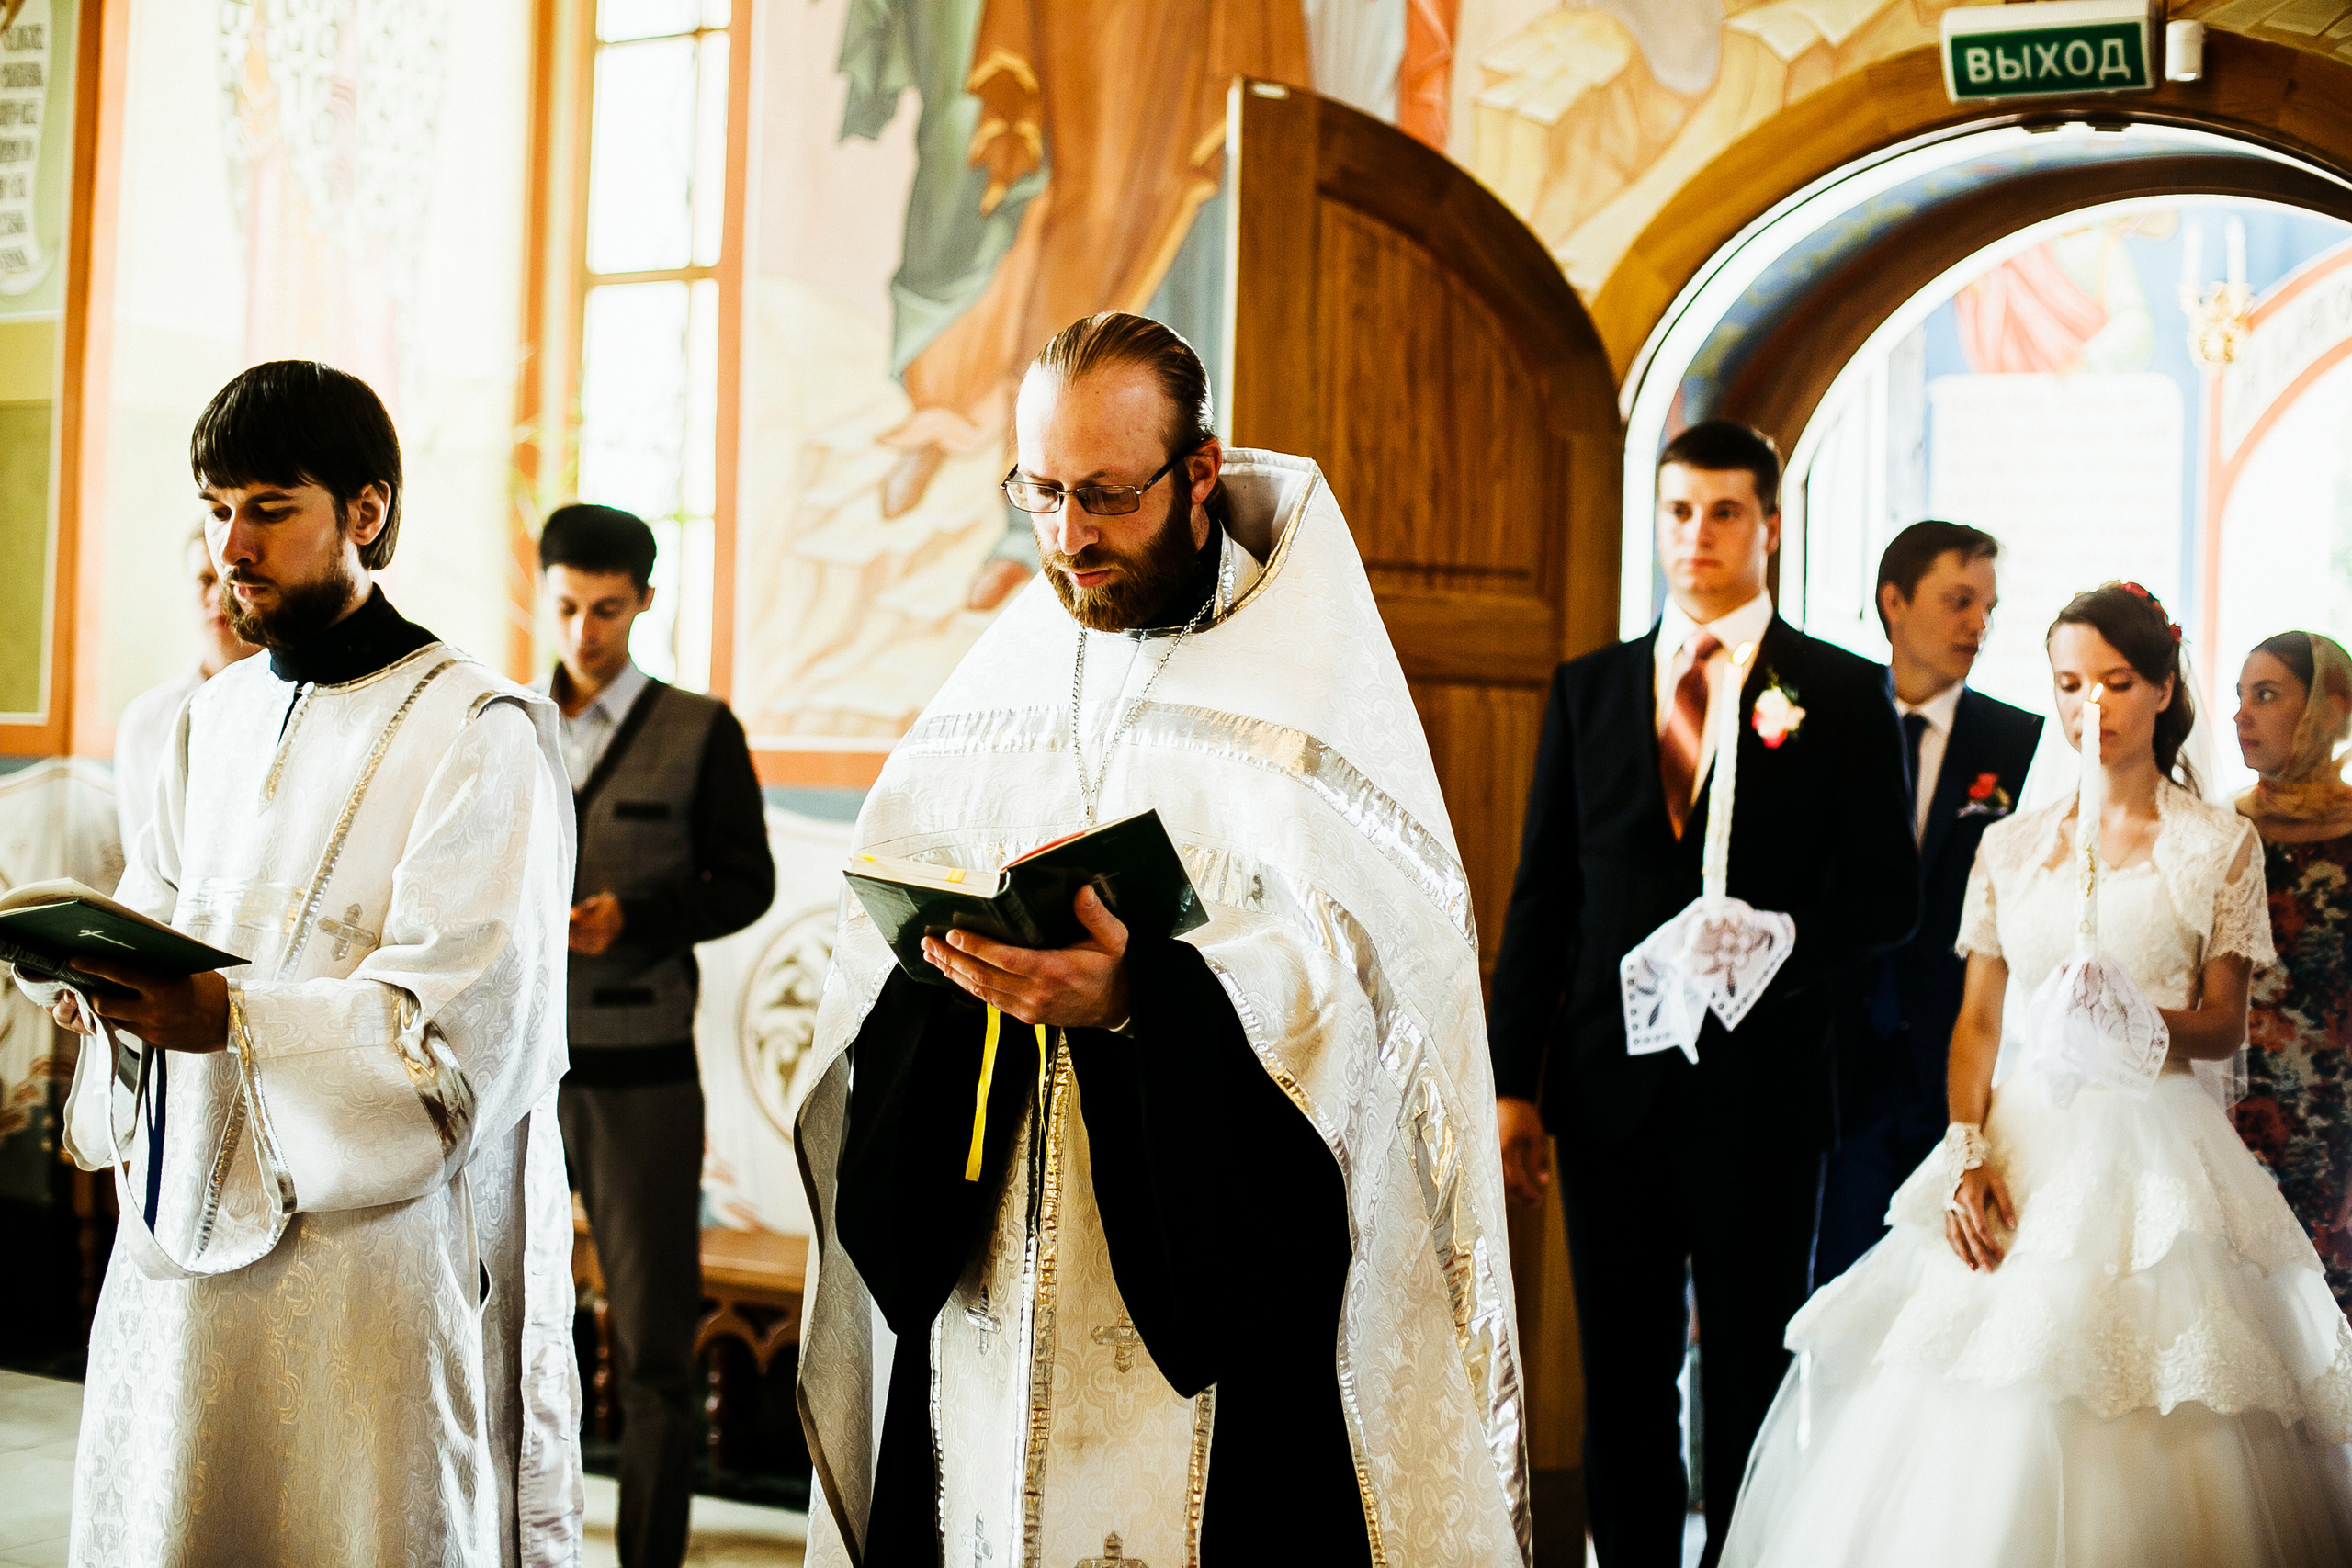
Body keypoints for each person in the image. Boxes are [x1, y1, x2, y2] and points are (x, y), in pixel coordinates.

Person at [794, 312, 1524, 1565]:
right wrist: (954, 960)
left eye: (1107, 494)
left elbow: (1362, 1011)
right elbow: (885, 941)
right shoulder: (1007, 677)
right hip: (989, 1277)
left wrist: (1142, 998)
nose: (1069, 536)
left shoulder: (1302, 695)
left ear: (1198, 472)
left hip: (1209, 1298)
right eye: (1041, 492)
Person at [17, 361, 582, 1565]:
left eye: (269, 509)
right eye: (217, 509)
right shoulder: (211, 718)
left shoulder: (476, 730)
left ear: (366, 512)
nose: (232, 546)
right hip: (180, 1238)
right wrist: (93, 983)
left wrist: (229, 1020)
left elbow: (457, 1042)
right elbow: (156, 905)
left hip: (360, 1273)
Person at [1723, 584, 2352, 1568]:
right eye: (2067, 684)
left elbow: (2224, 1024)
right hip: (2024, 1135)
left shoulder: (2216, 843)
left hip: (2156, 1144)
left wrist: (2133, 1020)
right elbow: (1977, 1023)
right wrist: (1966, 1151)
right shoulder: (2009, 846)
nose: (2089, 706)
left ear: (2161, 690)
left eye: (2116, 682)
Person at [1487, 418, 1917, 1568]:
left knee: (1747, 1370)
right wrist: (1512, 1084)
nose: (1698, 535)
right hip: (1607, 1087)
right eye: (1679, 511)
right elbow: (1543, 899)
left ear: (1768, 526)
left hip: (1761, 1091)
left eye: (1724, 512)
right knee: (1622, 1375)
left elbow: (1889, 897)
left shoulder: (1835, 690)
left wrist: (1776, 942)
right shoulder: (1588, 690)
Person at [537, 502, 775, 1568]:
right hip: (520, 1074)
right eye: (566, 608)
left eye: (606, 610)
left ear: (643, 603)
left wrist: (635, 918)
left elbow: (746, 882)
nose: (583, 633)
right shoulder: (507, 722)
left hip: (643, 1076)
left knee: (653, 1349)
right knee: (506, 1330)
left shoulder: (699, 731)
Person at [1815, 522, 2041, 1283]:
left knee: (1940, 1288)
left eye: (1989, 607)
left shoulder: (2017, 741)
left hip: (1953, 1062)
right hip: (1835, 1061)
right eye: (1958, 601)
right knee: (1828, 1287)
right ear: (1894, 602)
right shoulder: (1828, 725)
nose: (1978, 624)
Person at [2233, 629, 2352, 1316]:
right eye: (2240, 696)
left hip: (2332, 1128)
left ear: (2329, 709)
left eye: (2267, 695)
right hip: (2224, 1116)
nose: (2242, 714)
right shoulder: (2221, 829)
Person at [112, 525, 258, 862]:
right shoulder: (145, 720)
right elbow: (143, 853)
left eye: (231, 579)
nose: (219, 598)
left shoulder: (298, 703)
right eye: (206, 580)